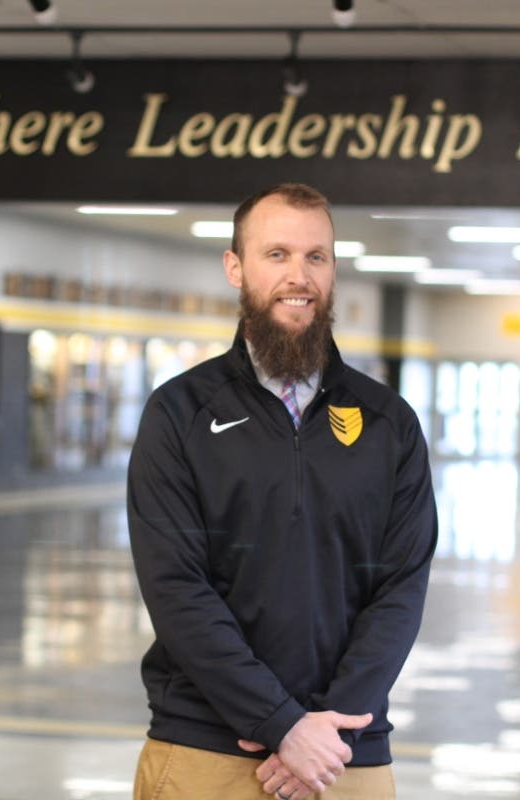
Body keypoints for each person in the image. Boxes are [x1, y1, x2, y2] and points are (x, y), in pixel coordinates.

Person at [127, 182, 438, 799]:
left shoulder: (389, 423)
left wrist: (326, 728)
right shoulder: (179, 413)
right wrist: (280, 724)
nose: (299, 275)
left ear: (333, 269)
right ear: (235, 268)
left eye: (316, 256)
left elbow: (401, 589)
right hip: (207, 747)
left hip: (345, 753)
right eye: (277, 255)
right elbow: (176, 588)